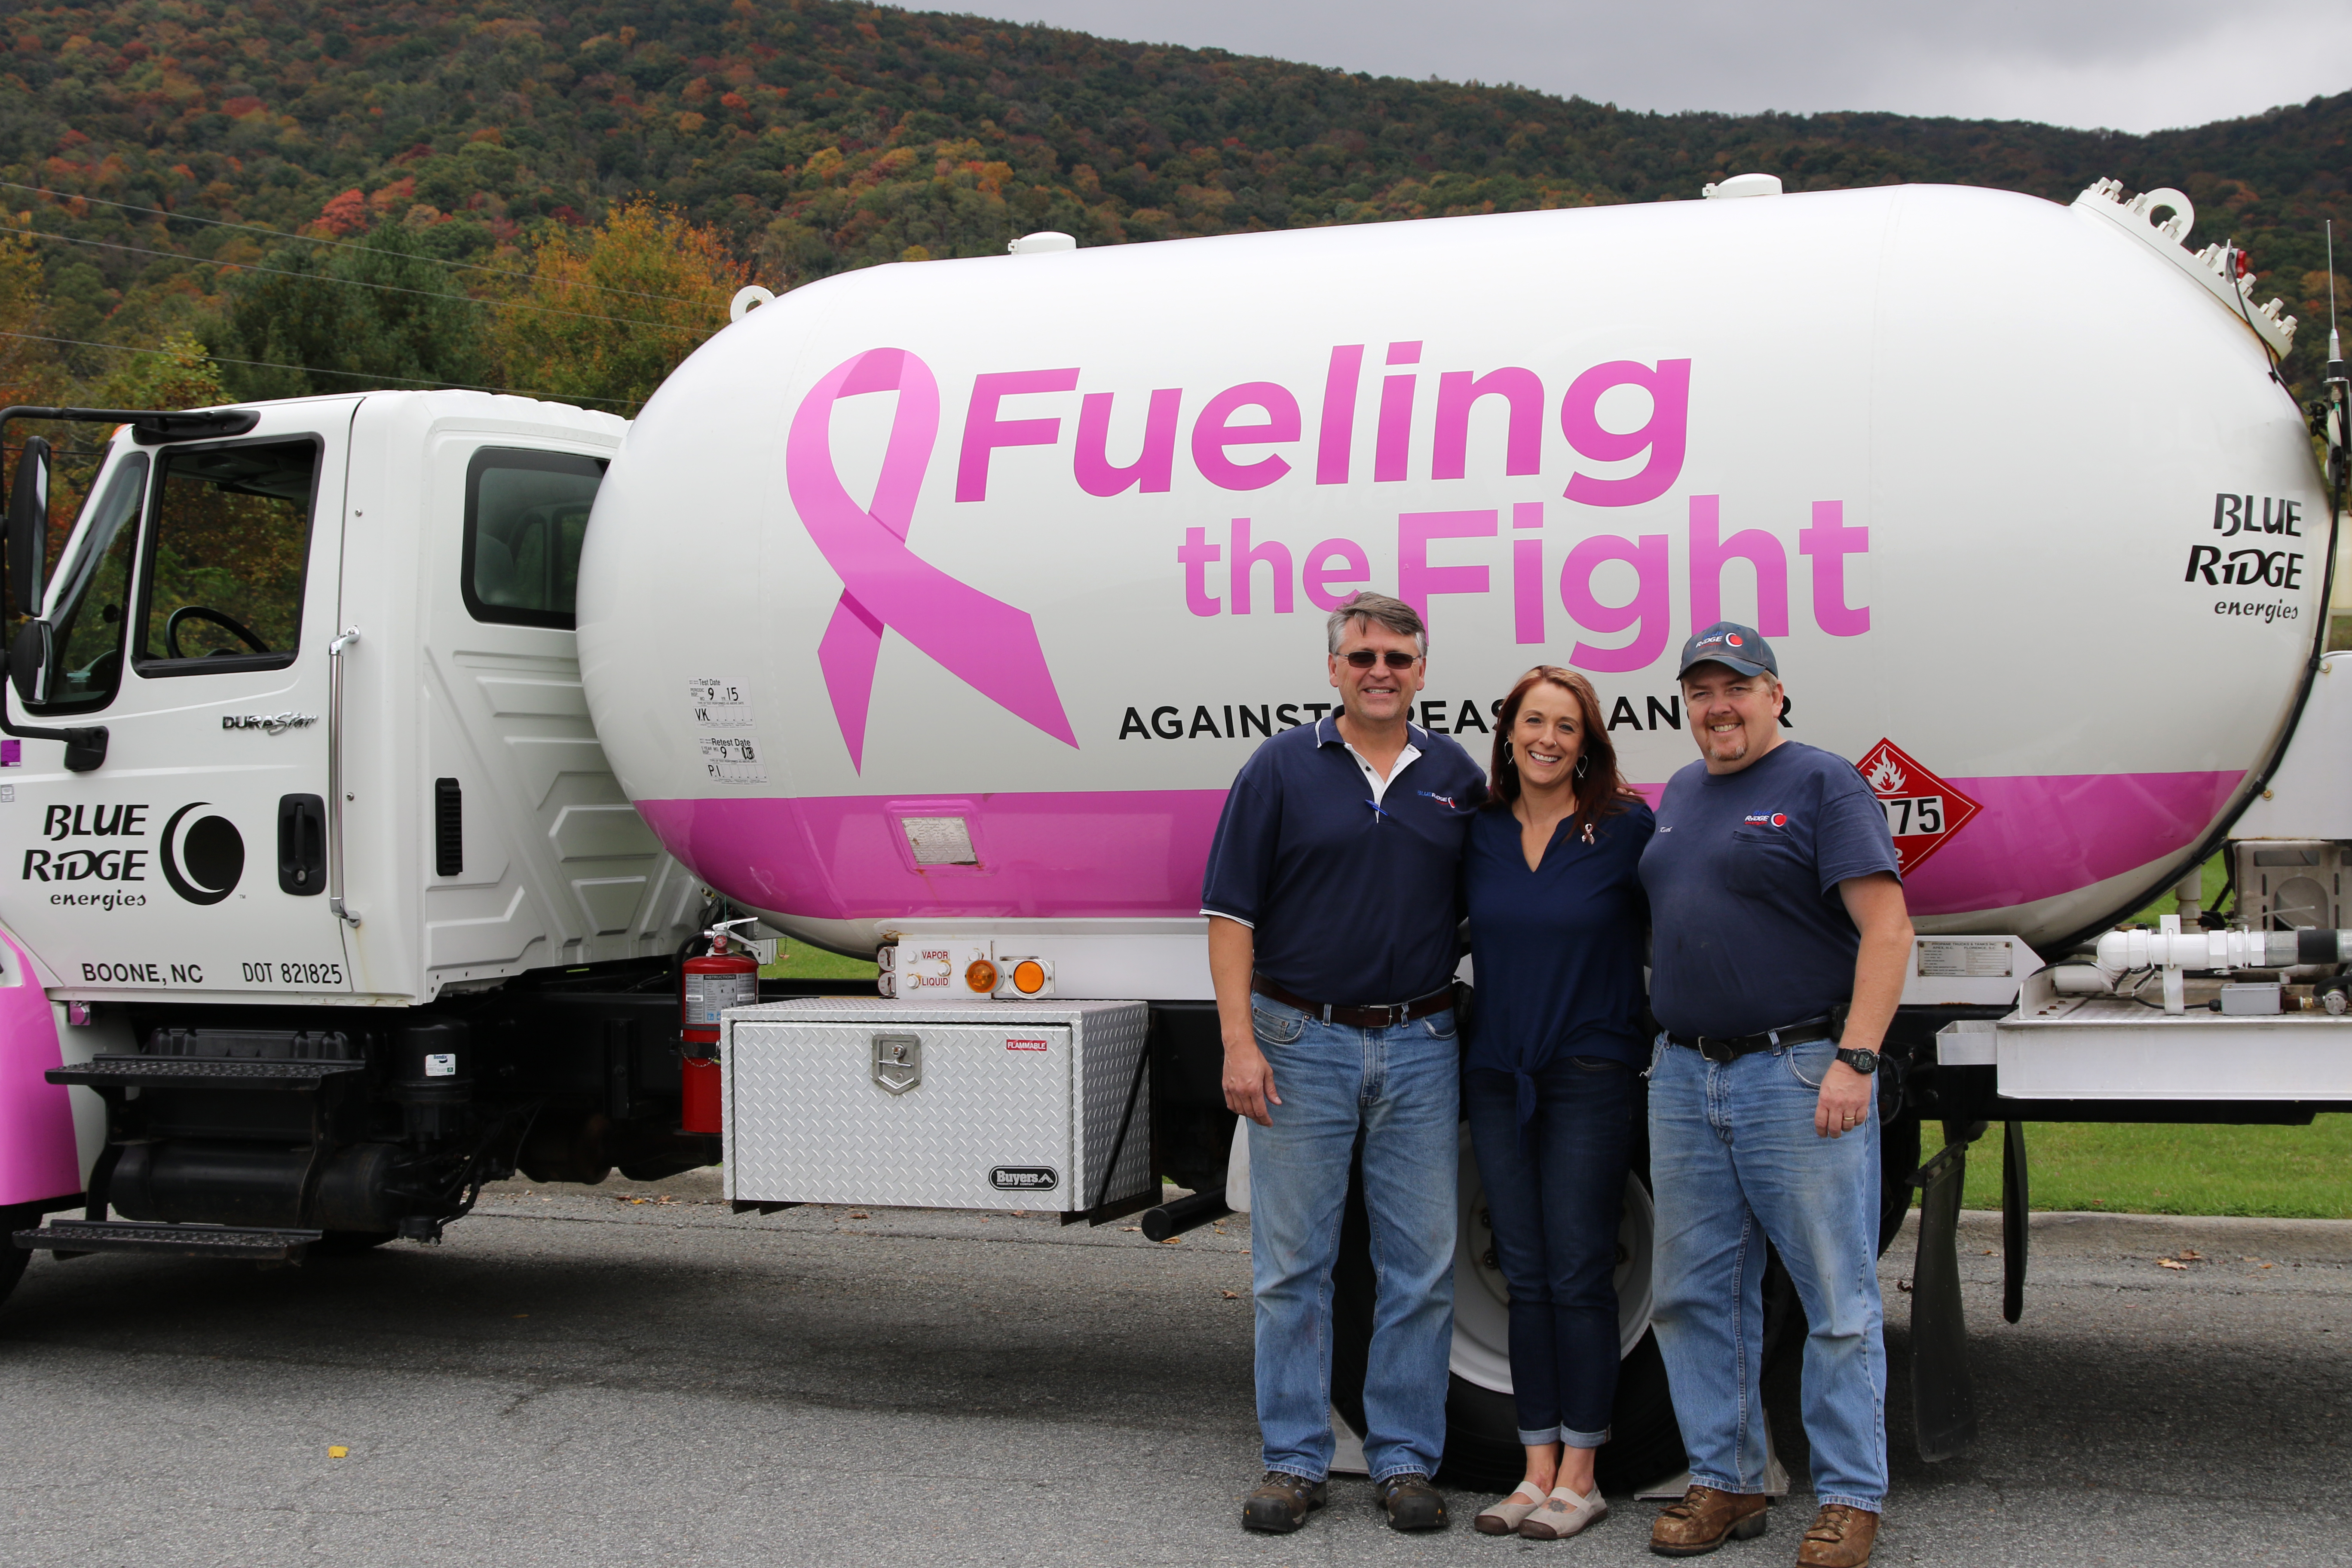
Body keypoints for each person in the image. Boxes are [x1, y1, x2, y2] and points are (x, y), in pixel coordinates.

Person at [1200, 590, 1486, 1535]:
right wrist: (1240, 1044)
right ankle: (1294, 1460)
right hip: (1298, 1042)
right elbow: (1231, 917)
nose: (1380, 672)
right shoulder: (1280, 768)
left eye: (1398, 658)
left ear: (1422, 670)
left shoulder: (1455, 776)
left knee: (1421, 1264)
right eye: (1362, 655)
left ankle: (1404, 1459)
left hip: (1421, 1041)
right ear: (1333, 669)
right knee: (1293, 1266)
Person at [1637, 622, 1912, 1568]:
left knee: (1834, 1297)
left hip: (1794, 1072)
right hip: (1683, 1073)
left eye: (1738, 687)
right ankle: (1728, 1479)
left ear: (1776, 693)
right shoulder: (1678, 792)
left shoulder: (1823, 783)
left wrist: (1857, 1059)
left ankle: (1849, 1499)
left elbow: (1887, 929)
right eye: (1702, 691)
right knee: (1692, 1294)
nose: (1719, 706)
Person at [1460, 666, 1654, 1542]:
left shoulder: (1625, 830)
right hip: (1498, 1072)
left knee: (1580, 1273)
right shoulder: (1482, 832)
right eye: (1532, 721)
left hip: (1589, 1074)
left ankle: (1585, 1471)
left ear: (1588, 743)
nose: (1547, 737)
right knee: (1527, 1271)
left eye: (1565, 726)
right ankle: (1534, 1468)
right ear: (1508, 733)